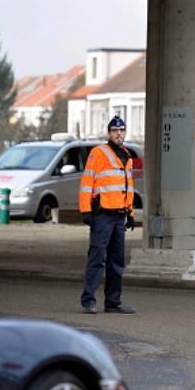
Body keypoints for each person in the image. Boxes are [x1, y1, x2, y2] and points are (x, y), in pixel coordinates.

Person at [79, 116, 137, 314]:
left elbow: (127, 187)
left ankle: (113, 301)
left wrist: (130, 212)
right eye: (114, 130)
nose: (118, 133)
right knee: (97, 258)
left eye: (121, 130)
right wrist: (86, 210)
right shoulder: (98, 153)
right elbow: (87, 182)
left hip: (119, 215)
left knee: (116, 261)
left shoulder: (126, 155)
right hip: (102, 214)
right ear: (109, 133)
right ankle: (88, 300)